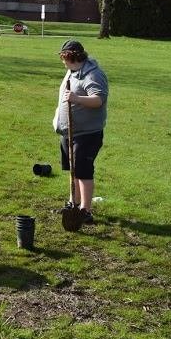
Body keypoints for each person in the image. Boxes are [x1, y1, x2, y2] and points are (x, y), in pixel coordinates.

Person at [54, 40, 108, 224]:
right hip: (68, 133)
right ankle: (73, 203)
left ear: (70, 56)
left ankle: (85, 210)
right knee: (73, 171)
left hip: (87, 134)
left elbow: (98, 100)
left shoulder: (93, 75)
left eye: (63, 57)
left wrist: (76, 98)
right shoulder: (72, 71)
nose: (62, 61)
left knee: (83, 171)